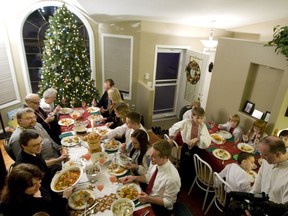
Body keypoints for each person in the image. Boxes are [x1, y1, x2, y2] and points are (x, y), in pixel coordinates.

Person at [121, 140, 181, 216]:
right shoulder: (155, 162)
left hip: (158, 207)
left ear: (165, 157)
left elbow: (169, 203)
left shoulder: (172, 178)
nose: (150, 158)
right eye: (151, 155)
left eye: (154, 157)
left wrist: (148, 199)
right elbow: (149, 177)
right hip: (148, 195)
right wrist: (134, 178)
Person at [8, 108, 68, 172]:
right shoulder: (17, 138)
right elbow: (28, 165)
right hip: (48, 168)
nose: (33, 120)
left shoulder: (36, 124)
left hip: (58, 156)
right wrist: (58, 160)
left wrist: (59, 149)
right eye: (28, 118)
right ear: (20, 121)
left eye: (34, 117)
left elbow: (49, 139)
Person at [0, 163, 72, 216]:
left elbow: (51, 199)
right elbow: (55, 212)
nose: (39, 185)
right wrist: (64, 198)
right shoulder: (20, 207)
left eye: (39, 181)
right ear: (19, 187)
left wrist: (54, 179)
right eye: (33, 185)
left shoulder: (31, 189)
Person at [169, 106, 211, 186]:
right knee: (184, 165)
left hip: (197, 148)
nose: (199, 120)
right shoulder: (186, 122)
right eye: (198, 118)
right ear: (192, 116)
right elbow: (174, 128)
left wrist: (197, 139)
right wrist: (171, 137)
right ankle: (181, 182)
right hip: (186, 147)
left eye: (201, 118)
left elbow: (207, 139)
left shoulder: (202, 126)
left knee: (193, 167)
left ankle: (190, 182)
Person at [252, 136, 288, 203]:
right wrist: (252, 203)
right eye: (261, 153)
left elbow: (285, 210)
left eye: (265, 155)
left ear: (278, 155)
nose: (262, 157)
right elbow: (257, 186)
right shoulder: (266, 161)